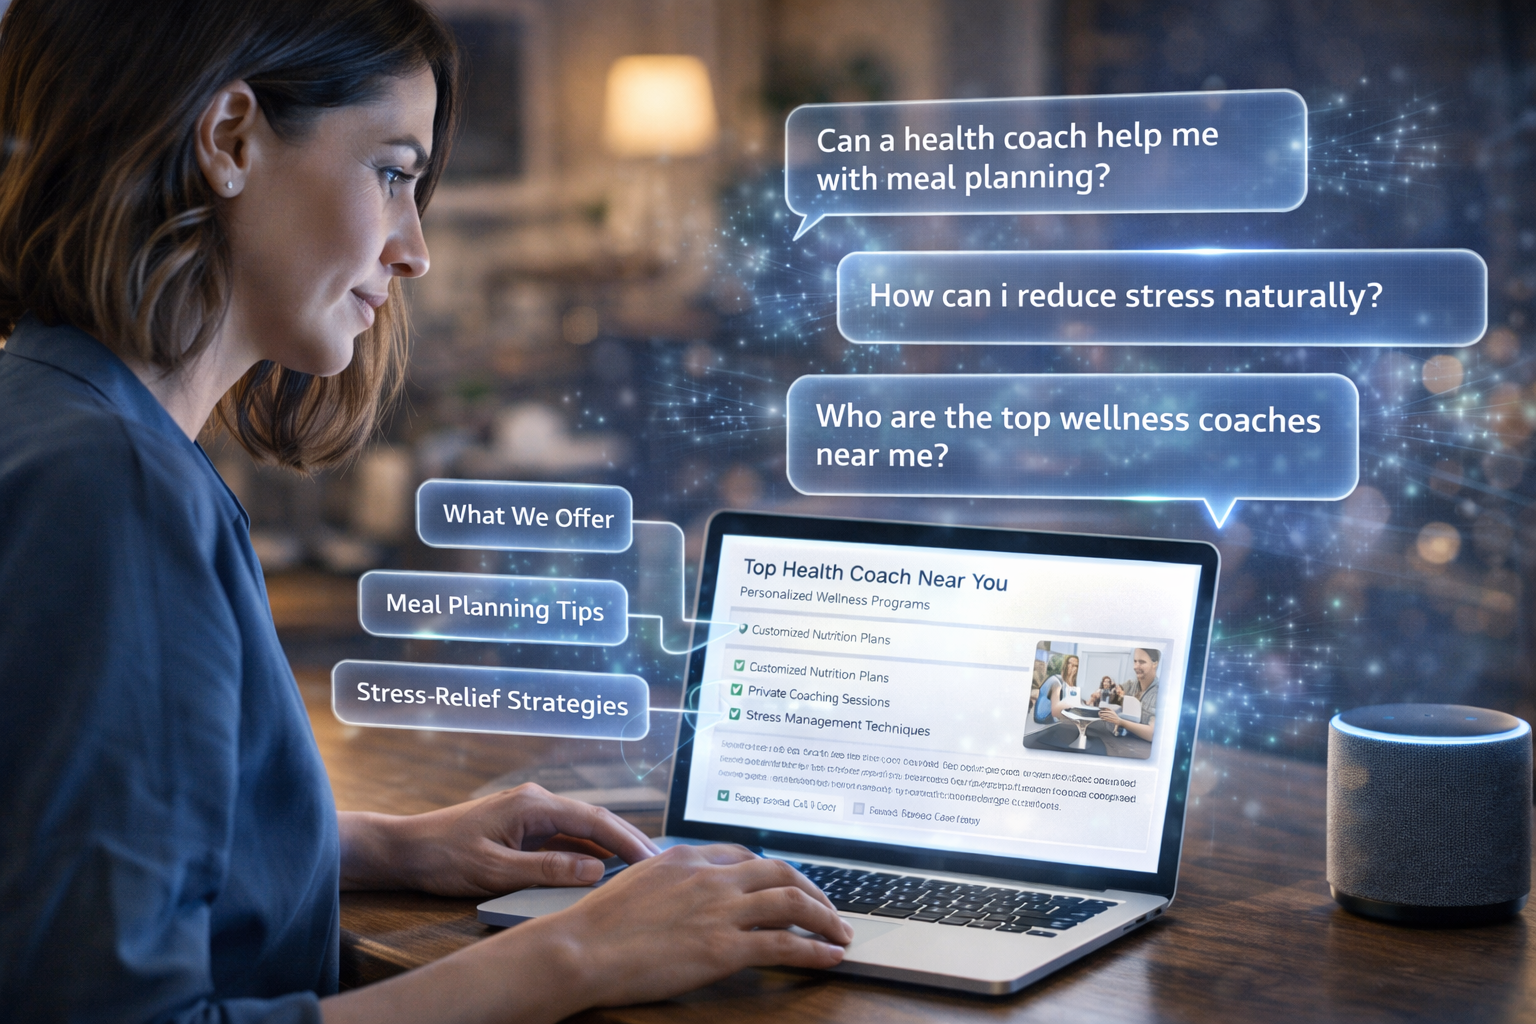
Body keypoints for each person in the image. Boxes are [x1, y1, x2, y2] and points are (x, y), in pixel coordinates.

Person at [0, 2, 850, 1021]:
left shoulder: (52, 415)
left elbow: (56, 833)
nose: (415, 249)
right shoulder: (116, 485)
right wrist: (578, 952)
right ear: (229, 140)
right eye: (393, 172)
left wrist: (379, 842)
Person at [1099, 648, 1160, 741]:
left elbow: (1153, 734)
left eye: (1142, 662)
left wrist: (1120, 722)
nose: (1135, 667)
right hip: (1119, 742)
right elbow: (1115, 692)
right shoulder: (1130, 685)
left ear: (1155, 664)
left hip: (1142, 750)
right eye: (1135, 661)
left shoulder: (1160, 693)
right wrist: (1112, 693)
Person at [1043, 654, 1082, 719]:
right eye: (1069, 663)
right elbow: (1055, 712)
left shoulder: (1072, 686)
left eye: (1075, 666)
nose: (1071, 666)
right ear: (1064, 665)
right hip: (1047, 721)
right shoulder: (1056, 681)